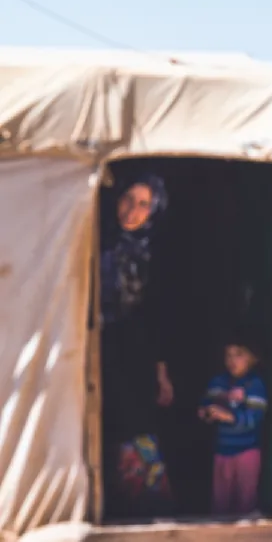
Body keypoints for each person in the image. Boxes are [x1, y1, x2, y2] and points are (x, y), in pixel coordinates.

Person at [100, 173, 176, 518]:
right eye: (128, 199)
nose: (132, 211)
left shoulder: (156, 254)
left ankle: (144, 511)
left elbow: (159, 313)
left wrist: (162, 372)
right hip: (94, 343)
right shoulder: (95, 239)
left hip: (136, 351)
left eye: (144, 204)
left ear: (154, 210)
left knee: (137, 425)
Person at [199, 335, 267, 515]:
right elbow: (206, 406)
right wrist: (206, 413)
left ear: (252, 358)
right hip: (222, 452)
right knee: (220, 503)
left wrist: (229, 416)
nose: (232, 360)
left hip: (247, 452)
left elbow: (255, 418)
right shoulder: (218, 383)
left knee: (245, 502)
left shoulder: (255, 385)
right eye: (228, 355)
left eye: (238, 355)